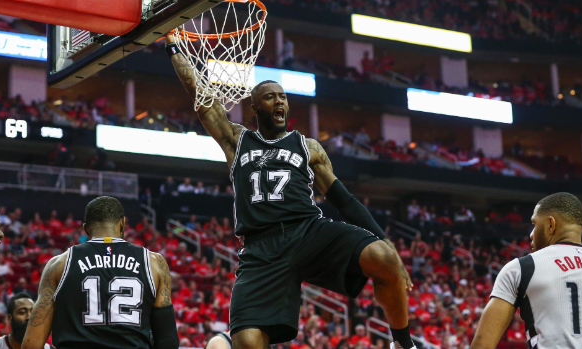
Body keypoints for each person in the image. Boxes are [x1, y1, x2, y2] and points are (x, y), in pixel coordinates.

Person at [167, 33, 416, 349]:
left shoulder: (308, 146)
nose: (279, 101)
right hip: (260, 248)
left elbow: (343, 199)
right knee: (247, 342)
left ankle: (403, 344)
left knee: (383, 256)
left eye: (283, 96)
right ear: (255, 106)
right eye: (270, 97)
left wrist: (385, 239)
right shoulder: (237, 140)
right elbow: (201, 95)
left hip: (307, 232)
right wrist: (174, 49)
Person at [22, 196, 178, 349]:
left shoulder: (58, 264)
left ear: (86, 229)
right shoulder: (155, 263)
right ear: (123, 224)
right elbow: (167, 340)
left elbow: (31, 344)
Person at [471, 192, 582, 349]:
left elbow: (482, 344)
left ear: (550, 225)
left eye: (534, 224)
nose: (531, 234)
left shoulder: (523, 267)